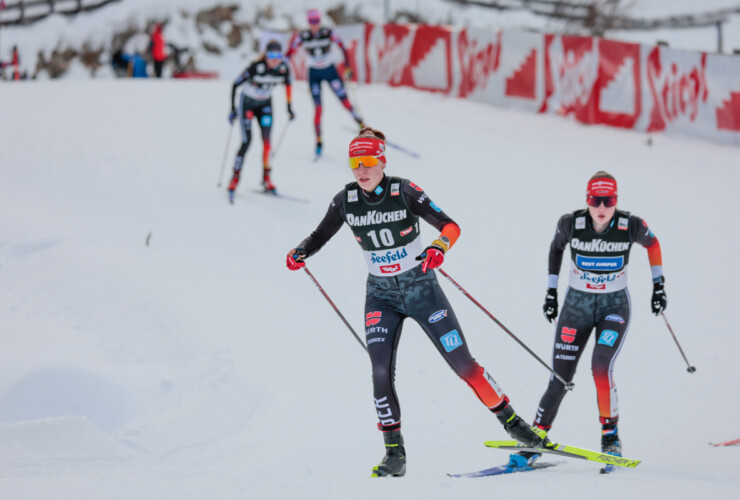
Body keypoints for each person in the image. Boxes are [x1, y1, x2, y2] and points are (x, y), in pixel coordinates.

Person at [286, 127, 549, 477]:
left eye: (367, 162)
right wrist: (301, 251)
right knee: (380, 373)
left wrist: (439, 247)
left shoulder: (404, 190)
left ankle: (516, 426)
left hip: (421, 290)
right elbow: (320, 235)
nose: (360, 170)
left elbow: (450, 226)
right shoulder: (345, 200)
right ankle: (394, 454)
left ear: (382, 161)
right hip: (381, 295)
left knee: (464, 366)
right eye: (354, 164)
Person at [509, 171, 666, 468]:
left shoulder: (630, 225)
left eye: (608, 201)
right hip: (576, 308)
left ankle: (610, 438)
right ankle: (535, 438)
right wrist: (551, 293)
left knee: (600, 367)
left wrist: (659, 286)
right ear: (587, 200)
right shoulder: (572, 223)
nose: (602, 208)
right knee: (559, 378)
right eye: (596, 201)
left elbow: (653, 244)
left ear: (616, 201)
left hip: (614, 308)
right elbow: (555, 248)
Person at [285, 8, 364, 158]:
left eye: (316, 21)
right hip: (314, 73)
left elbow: (343, 47)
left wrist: (347, 66)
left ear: (319, 21)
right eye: (311, 22)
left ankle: (361, 123)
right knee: (318, 109)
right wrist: (283, 69)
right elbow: (289, 53)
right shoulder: (303, 35)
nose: (314, 25)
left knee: (345, 101)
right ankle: (319, 141)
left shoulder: (328, 32)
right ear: (308, 23)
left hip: (330, 71)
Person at [227, 40, 294, 202]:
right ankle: (235, 178)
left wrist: (289, 107)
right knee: (246, 141)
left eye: (278, 56)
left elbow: (288, 85)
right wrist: (233, 109)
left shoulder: (283, 68)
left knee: (267, 143)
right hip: (248, 104)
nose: (275, 60)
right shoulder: (256, 67)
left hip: (265, 105)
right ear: (266, 55)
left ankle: (266, 178)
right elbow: (235, 84)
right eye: (271, 56)